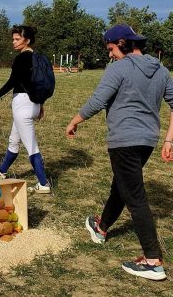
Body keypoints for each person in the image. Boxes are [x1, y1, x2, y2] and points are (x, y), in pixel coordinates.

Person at [66, 24, 173, 281]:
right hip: (147, 141)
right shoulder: (162, 71)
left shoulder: (119, 69)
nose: (110, 54)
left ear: (122, 43)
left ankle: (152, 261)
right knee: (122, 186)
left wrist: (74, 121)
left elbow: (98, 100)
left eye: (111, 48)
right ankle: (101, 228)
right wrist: (169, 140)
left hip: (124, 141)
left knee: (135, 196)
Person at [0, 25, 50, 193]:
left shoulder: (22, 59)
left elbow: (12, 81)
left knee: (31, 147)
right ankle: (2, 170)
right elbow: (36, 84)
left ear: (26, 40)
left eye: (17, 39)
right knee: (14, 140)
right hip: (33, 105)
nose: (13, 42)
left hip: (23, 106)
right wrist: (40, 105)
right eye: (13, 39)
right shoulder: (37, 58)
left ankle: (43, 184)